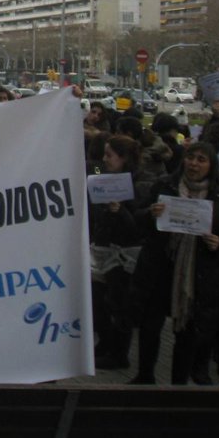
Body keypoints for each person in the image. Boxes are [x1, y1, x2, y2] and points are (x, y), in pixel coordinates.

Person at [129, 142, 219, 385]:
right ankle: (144, 376)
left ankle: (178, 385)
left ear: (211, 166)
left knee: (187, 331)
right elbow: (138, 217)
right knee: (150, 326)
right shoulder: (165, 185)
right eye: (190, 157)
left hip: (195, 273)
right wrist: (150, 214)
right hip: (160, 267)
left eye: (201, 160)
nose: (194, 164)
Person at [89, 135, 142, 370]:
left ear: (123, 158)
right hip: (102, 247)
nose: (104, 159)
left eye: (109, 155)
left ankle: (119, 354)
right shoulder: (101, 174)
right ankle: (105, 342)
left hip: (124, 254)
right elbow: (93, 171)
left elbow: (137, 224)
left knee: (119, 304)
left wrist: (119, 211)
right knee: (98, 301)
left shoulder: (137, 184)